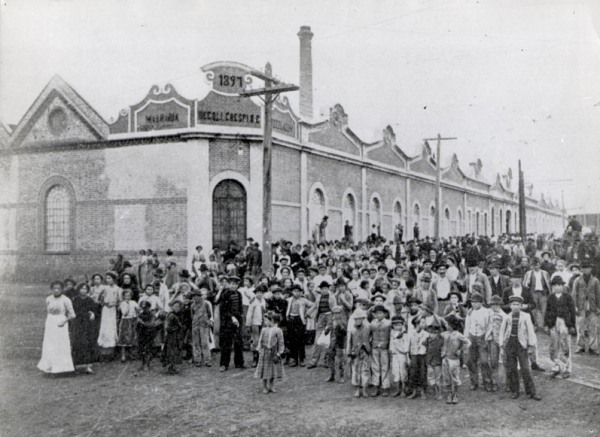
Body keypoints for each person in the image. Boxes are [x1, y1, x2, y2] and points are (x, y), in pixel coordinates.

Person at [499, 295, 542, 401]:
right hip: (510, 344)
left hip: (522, 345)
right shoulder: (507, 317)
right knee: (512, 368)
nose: (515, 307)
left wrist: (531, 345)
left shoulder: (526, 316)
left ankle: (531, 392)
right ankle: (515, 391)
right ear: (510, 306)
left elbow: (531, 332)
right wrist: (501, 345)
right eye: (513, 304)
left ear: (521, 306)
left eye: (518, 304)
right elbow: (502, 332)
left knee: (526, 369)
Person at [37, 281, 76, 374]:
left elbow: (72, 315)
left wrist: (64, 321)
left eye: (58, 288)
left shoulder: (66, 300)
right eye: (54, 288)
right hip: (50, 323)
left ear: (62, 289)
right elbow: (48, 311)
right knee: (49, 344)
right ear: (52, 289)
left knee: (60, 344)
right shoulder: (48, 299)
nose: (56, 290)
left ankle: (61, 368)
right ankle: (49, 366)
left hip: (61, 323)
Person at [544, 276, 576, 379]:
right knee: (554, 345)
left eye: (560, 285)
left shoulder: (568, 297)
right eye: (555, 285)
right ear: (552, 286)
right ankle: (557, 366)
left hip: (564, 323)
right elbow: (547, 311)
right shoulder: (550, 297)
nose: (557, 287)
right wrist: (546, 325)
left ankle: (566, 367)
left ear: (563, 286)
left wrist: (571, 325)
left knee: (565, 345)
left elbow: (572, 312)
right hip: (553, 323)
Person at [464, 292, 493, 391]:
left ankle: (487, 383)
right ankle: (474, 382)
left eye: (476, 302)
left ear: (481, 302)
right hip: (472, 337)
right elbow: (467, 326)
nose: (474, 304)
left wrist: (487, 336)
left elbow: (490, 325)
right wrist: (466, 338)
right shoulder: (470, 312)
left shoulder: (487, 312)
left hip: (482, 337)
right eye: (472, 302)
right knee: (471, 361)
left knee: (484, 361)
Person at [215, 275, 245, 371]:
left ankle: (239, 363)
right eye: (232, 283)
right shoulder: (225, 294)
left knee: (238, 342)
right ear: (229, 284)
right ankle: (224, 364)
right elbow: (223, 309)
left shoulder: (239, 294)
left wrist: (240, 317)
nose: (234, 286)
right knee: (226, 343)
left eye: (236, 284)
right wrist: (232, 318)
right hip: (227, 321)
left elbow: (240, 307)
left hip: (237, 320)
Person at [70, 282, 99, 374]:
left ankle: (87, 366)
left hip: (87, 325)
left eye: (86, 289)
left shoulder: (90, 300)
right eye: (82, 289)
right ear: (79, 290)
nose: (84, 291)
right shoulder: (75, 300)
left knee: (88, 343)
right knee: (77, 343)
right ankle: (75, 365)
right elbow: (74, 312)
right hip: (78, 324)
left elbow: (94, 310)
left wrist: (92, 314)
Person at [441, 315, 471, 404]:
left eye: (447, 324)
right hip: (445, 358)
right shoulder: (444, 334)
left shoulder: (458, 335)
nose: (446, 325)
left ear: (452, 325)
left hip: (454, 359)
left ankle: (455, 394)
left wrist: (460, 350)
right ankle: (449, 394)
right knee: (446, 377)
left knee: (455, 377)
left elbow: (468, 342)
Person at [572, 261, 600, 355]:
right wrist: (574, 306)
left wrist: (598, 307)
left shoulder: (595, 280)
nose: (586, 270)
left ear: (591, 269)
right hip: (581, 306)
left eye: (588, 268)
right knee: (580, 326)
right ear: (581, 269)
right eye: (584, 268)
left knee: (593, 327)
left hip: (592, 306)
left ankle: (593, 347)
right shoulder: (577, 280)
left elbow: (598, 294)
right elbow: (574, 294)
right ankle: (580, 346)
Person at [255, 313, 285, 394]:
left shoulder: (278, 331)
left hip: (273, 353)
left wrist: (279, 354)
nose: (264, 322)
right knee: (264, 370)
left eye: (266, 320)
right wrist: (259, 349)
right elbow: (260, 340)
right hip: (265, 353)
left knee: (272, 371)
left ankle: (271, 386)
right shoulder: (264, 330)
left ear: (271, 321)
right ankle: (265, 386)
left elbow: (281, 343)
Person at [285, 284, 314, 367]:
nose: (296, 293)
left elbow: (314, 305)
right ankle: (294, 359)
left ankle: (301, 358)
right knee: (292, 340)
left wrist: (307, 313)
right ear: (292, 292)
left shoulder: (303, 300)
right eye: (294, 291)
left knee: (300, 340)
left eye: (298, 291)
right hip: (291, 319)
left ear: (301, 292)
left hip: (300, 320)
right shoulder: (289, 300)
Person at [346, 307, 371, 398]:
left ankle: (364, 389)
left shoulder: (367, 328)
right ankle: (357, 389)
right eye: (356, 319)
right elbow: (348, 342)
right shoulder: (352, 330)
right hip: (355, 353)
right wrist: (349, 354)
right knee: (356, 370)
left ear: (363, 319)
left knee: (365, 370)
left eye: (360, 318)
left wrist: (368, 347)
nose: (358, 321)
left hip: (365, 351)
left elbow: (370, 338)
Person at [97, 271, 121, 359]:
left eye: (110, 278)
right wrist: (103, 302)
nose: (108, 280)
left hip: (113, 310)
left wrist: (113, 304)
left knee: (111, 328)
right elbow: (99, 299)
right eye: (107, 278)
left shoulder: (118, 289)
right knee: (104, 327)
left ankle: (111, 351)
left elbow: (120, 301)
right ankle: (103, 351)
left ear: (114, 279)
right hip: (105, 310)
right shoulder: (105, 288)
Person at [523, 258, 551, 330]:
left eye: (538, 265)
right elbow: (525, 284)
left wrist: (549, 293)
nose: (536, 267)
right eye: (535, 265)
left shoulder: (545, 273)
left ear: (540, 265)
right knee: (534, 310)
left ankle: (545, 325)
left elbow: (548, 283)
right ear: (532, 266)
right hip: (533, 293)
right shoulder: (529, 273)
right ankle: (534, 324)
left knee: (544, 310)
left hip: (543, 293)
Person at [369, 304, 392, 397]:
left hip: (384, 347)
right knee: (375, 366)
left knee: (385, 366)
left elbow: (391, 336)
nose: (378, 315)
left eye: (380, 313)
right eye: (377, 313)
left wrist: (389, 346)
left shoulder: (388, 323)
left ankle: (385, 386)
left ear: (384, 314)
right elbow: (370, 334)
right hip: (375, 346)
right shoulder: (372, 323)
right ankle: (376, 385)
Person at [489, 295, 508, 391]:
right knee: (493, 362)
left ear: (500, 305)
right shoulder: (489, 314)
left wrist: (504, 341)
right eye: (492, 305)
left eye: (496, 305)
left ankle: (507, 382)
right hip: (493, 340)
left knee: (505, 361)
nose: (494, 307)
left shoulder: (504, 316)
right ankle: (494, 382)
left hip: (502, 341)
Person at [191, 288, 214, 367]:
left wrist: (207, 321)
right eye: (194, 296)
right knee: (196, 343)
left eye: (197, 296)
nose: (195, 298)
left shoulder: (206, 304)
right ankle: (197, 360)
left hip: (204, 325)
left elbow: (210, 314)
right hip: (195, 325)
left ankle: (207, 360)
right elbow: (192, 315)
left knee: (205, 343)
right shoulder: (192, 305)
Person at [407, 316, 428, 399]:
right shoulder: (410, 333)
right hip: (414, 354)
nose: (424, 324)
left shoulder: (426, 334)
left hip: (422, 355)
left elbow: (428, 346)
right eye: (422, 322)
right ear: (417, 323)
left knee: (423, 372)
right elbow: (408, 345)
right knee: (413, 372)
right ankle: (414, 391)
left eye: (424, 322)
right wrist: (407, 357)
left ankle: (423, 391)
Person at [325, 306, 347, 384]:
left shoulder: (343, 322)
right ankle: (332, 374)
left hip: (340, 343)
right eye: (335, 313)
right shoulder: (331, 321)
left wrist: (340, 326)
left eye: (338, 313)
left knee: (340, 360)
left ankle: (341, 376)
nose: (336, 315)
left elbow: (345, 333)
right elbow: (326, 332)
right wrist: (328, 328)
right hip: (331, 343)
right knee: (330, 359)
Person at [389, 315, 410, 397]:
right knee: (395, 372)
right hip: (395, 355)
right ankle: (397, 389)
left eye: (399, 324)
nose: (397, 326)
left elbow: (406, 348)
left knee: (403, 372)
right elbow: (391, 345)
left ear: (402, 325)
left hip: (402, 355)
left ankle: (404, 390)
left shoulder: (405, 334)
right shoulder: (392, 334)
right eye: (395, 325)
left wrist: (399, 348)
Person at [137, 300, 160, 370]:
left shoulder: (151, 315)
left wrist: (142, 322)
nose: (144, 309)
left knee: (148, 349)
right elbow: (137, 325)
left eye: (146, 307)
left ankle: (147, 364)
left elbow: (151, 324)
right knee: (141, 349)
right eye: (143, 308)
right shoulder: (140, 315)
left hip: (149, 334)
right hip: (141, 334)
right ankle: (142, 363)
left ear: (149, 307)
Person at [163, 300, 184, 374]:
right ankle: (171, 367)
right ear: (172, 307)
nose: (177, 308)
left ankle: (173, 366)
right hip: (172, 336)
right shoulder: (171, 316)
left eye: (178, 307)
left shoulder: (176, 315)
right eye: (175, 306)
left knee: (174, 351)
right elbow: (167, 327)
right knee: (171, 351)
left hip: (175, 336)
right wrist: (176, 328)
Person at [118, 289, 139, 363]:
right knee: (124, 337)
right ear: (123, 296)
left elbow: (138, 309)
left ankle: (132, 354)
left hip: (132, 320)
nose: (128, 297)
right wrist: (128, 305)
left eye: (129, 295)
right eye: (126, 296)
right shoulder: (122, 303)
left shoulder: (133, 302)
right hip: (125, 321)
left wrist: (137, 310)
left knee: (132, 336)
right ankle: (123, 355)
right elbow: (124, 313)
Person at [425, 321, 444, 400]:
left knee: (438, 378)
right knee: (430, 377)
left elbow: (442, 350)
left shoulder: (441, 341)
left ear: (438, 333)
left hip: (437, 362)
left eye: (435, 333)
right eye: (431, 333)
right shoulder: (427, 340)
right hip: (429, 361)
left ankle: (439, 393)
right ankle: (434, 390)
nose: (432, 335)